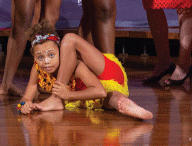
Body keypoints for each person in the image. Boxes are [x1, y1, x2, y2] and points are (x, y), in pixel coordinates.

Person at [17, 21, 152, 120]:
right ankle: (126, 104)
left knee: (69, 38)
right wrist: (24, 104)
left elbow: (99, 91)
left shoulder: (75, 64)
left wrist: (67, 95)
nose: (46, 61)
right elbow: (26, 97)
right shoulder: (37, 68)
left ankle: (56, 99)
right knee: (111, 99)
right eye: (40, 57)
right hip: (93, 90)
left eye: (51, 55)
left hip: (105, 72)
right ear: (34, 57)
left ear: (60, 51)